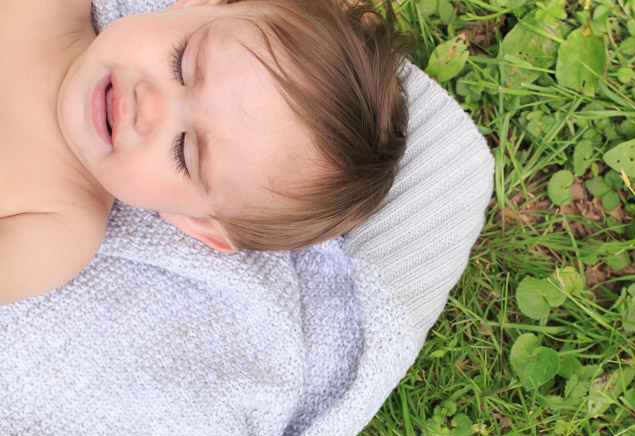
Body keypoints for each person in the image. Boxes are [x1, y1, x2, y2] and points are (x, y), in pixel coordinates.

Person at [0, 0, 409, 305]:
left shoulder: (59, 229)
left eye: (183, 150)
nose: (151, 106)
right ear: (199, 4)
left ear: (198, 222)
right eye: (182, 63)